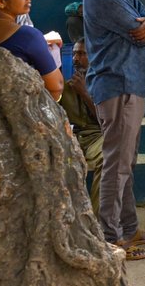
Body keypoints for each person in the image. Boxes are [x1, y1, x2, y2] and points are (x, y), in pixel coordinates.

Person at [82, 0, 145, 259]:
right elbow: (136, 28)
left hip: (127, 83)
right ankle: (112, 238)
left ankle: (129, 227)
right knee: (117, 164)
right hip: (118, 85)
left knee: (127, 161)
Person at [60, 38, 104, 211]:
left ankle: (98, 221)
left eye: (82, 54)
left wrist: (84, 93)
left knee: (108, 158)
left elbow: (105, 120)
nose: (76, 59)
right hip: (71, 136)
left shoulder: (103, 82)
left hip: (96, 136)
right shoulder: (63, 82)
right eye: (74, 54)